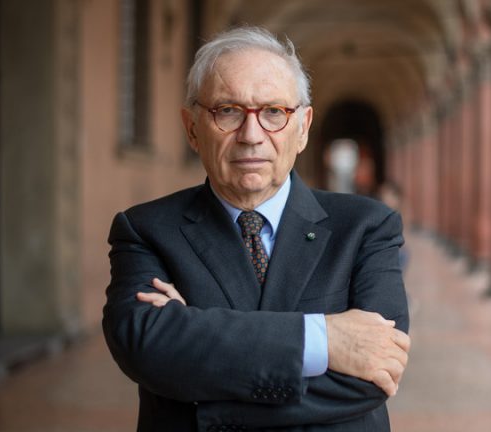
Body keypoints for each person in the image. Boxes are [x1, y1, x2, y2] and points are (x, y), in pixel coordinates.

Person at [102, 26, 410, 432]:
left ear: (303, 127)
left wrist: (202, 391)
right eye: (227, 111)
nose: (251, 136)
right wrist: (322, 339)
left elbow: (375, 374)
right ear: (192, 128)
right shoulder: (146, 230)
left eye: (273, 112)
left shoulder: (367, 227)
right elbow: (146, 348)